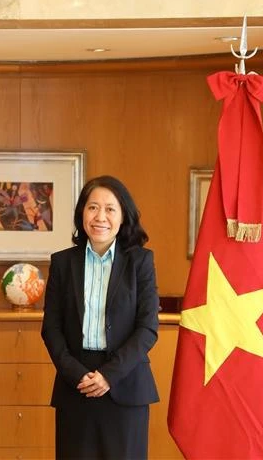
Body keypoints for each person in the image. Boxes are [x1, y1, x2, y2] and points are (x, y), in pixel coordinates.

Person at [41, 175, 160, 460]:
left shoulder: (140, 261)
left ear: (123, 216)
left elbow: (147, 328)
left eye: (110, 209)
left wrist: (109, 375)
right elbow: (52, 328)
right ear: (82, 213)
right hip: (76, 385)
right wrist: (76, 374)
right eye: (93, 207)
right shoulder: (62, 262)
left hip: (125, 383)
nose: (100, 217)